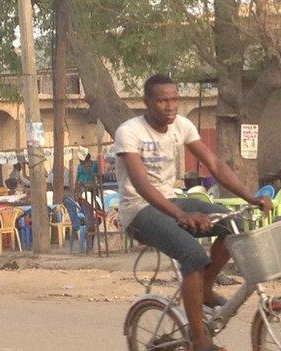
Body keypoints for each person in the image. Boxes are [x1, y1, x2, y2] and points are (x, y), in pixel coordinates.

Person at [115, 74, 271, 351]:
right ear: (147, 102)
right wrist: (180, 215)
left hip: (172, 201)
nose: (170, 106)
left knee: (234, 224)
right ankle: (199, 341)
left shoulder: (182, 126)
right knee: (193, 257)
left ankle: (206, 288)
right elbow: (141, 185)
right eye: (162, 100)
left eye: (174, 99)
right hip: (139, 210)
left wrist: (251, 196)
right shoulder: (130, 131)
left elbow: (214, 164)